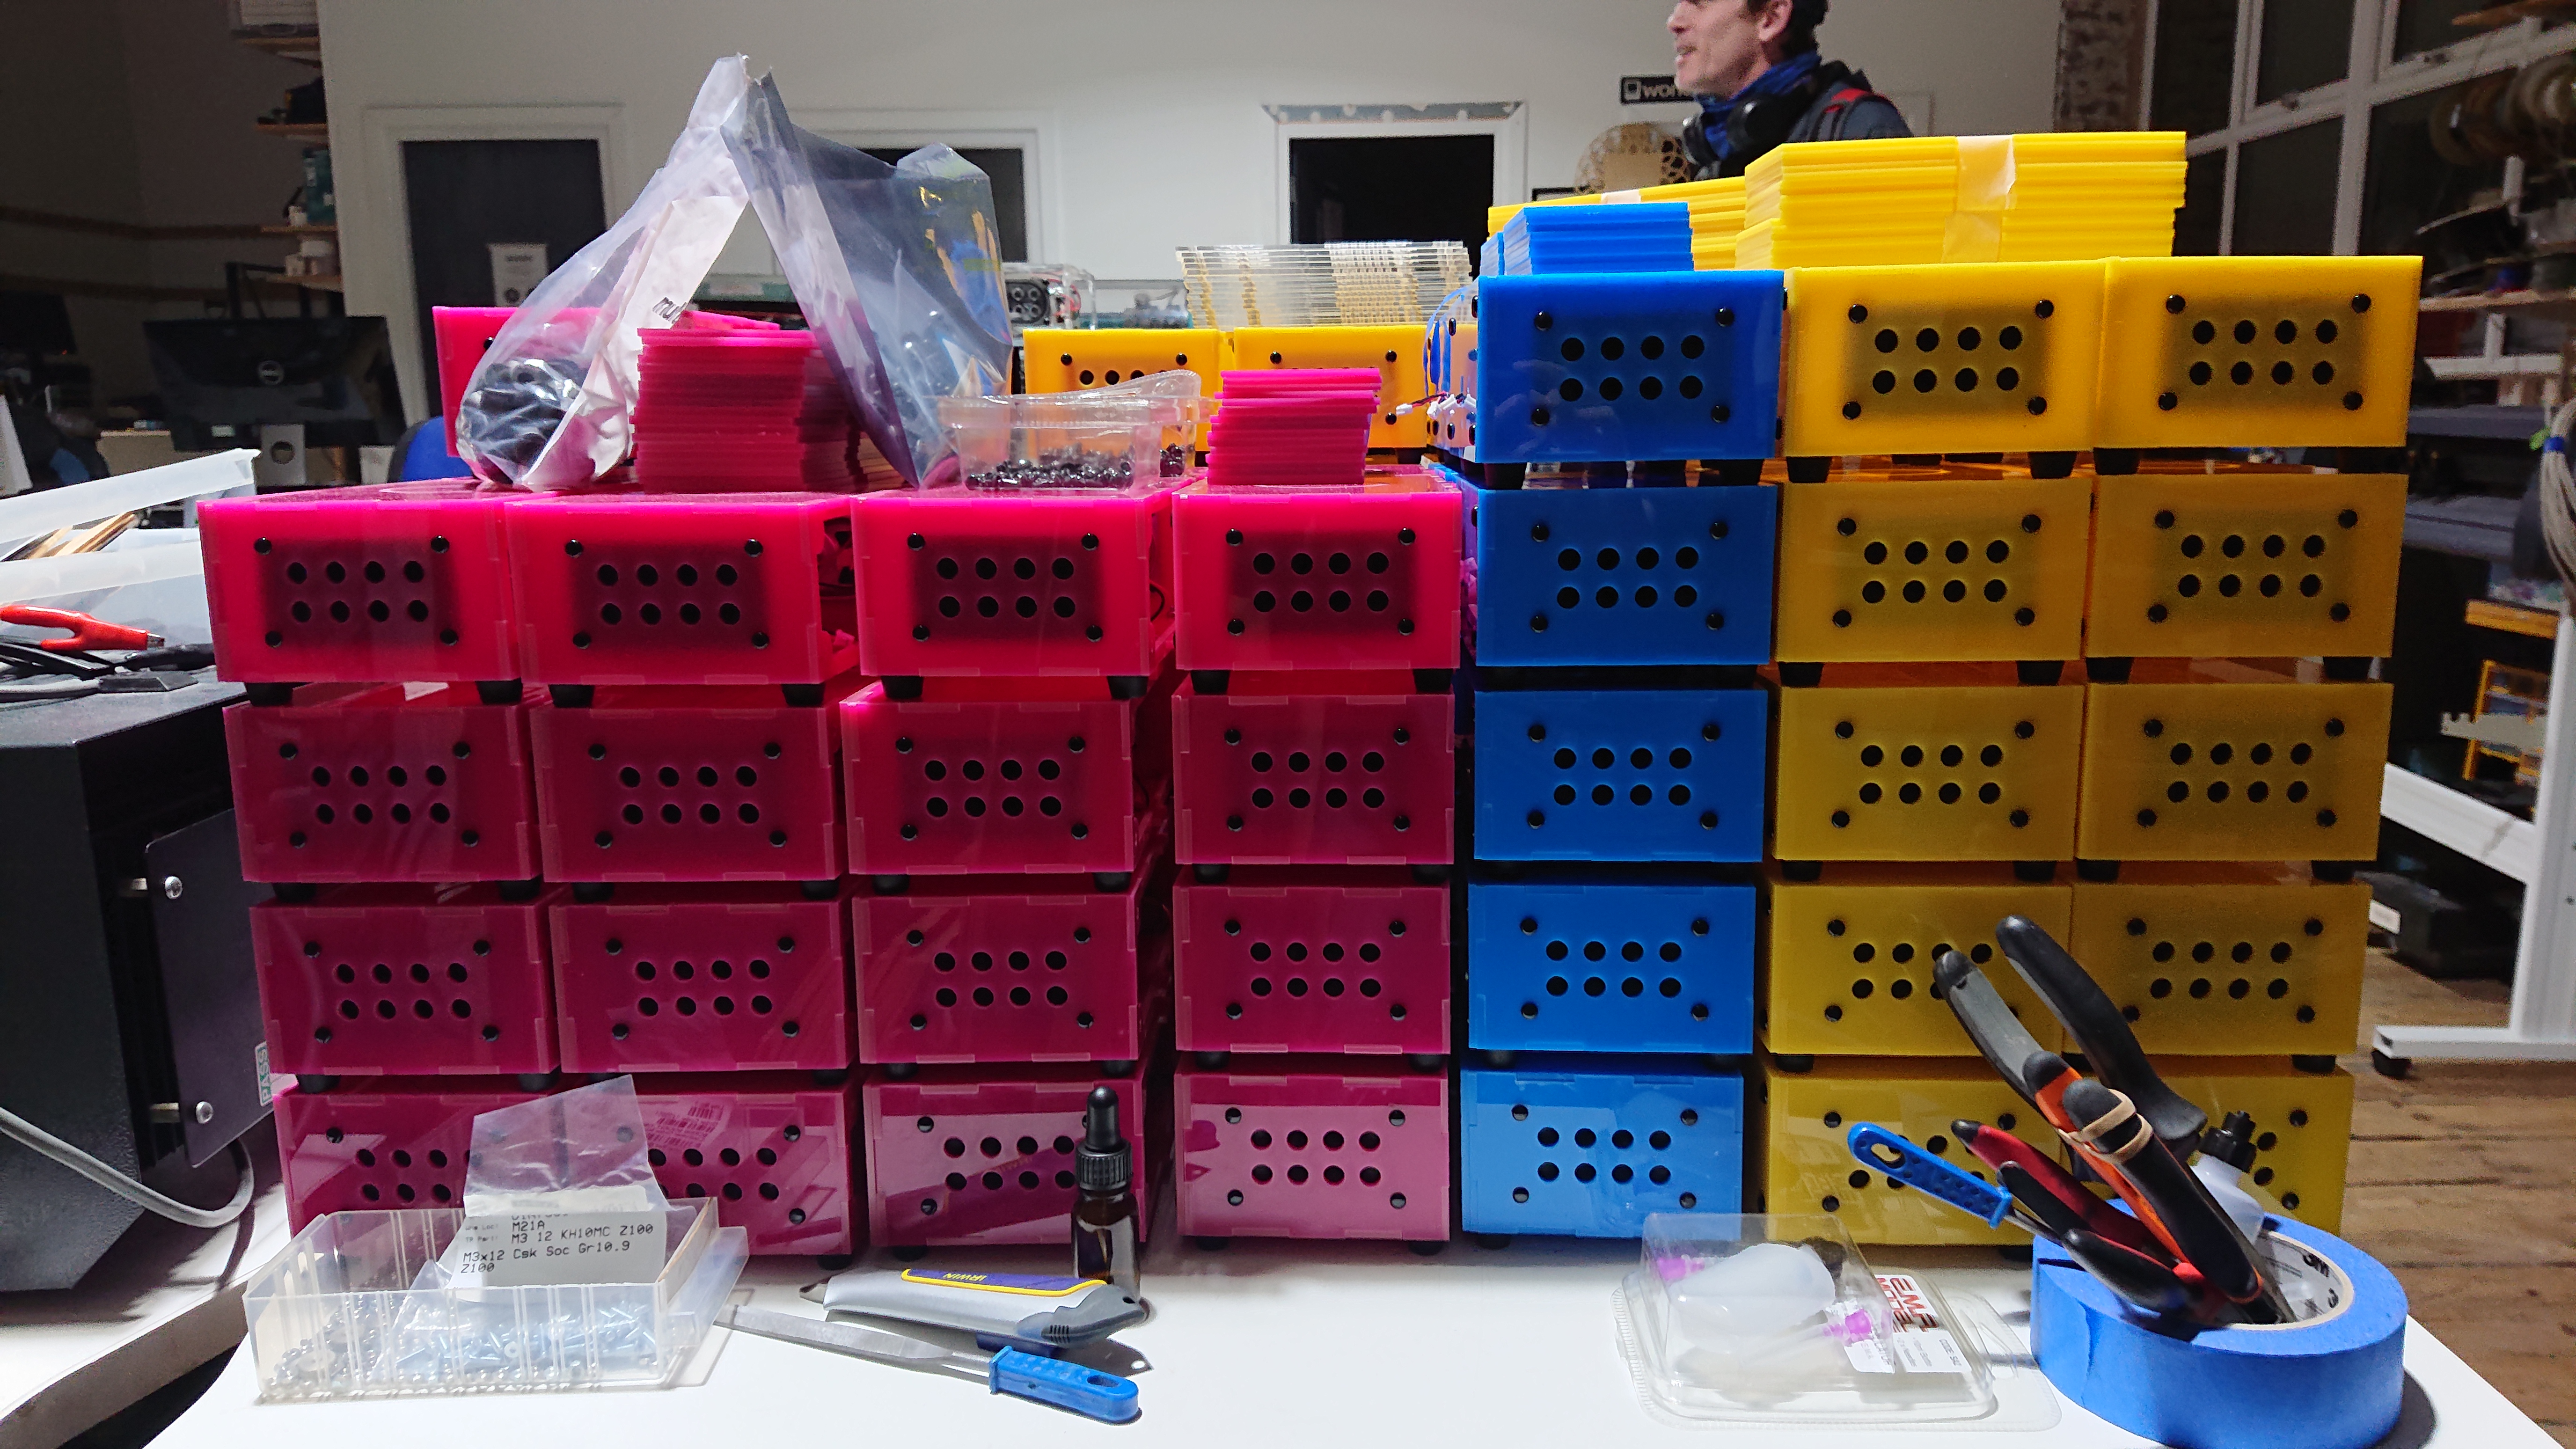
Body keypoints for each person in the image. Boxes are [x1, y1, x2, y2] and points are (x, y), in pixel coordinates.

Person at [1669, 0, 1911, 180]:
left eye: (1699, 2)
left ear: (1772, 18)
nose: (1674, 23)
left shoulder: (1863, 134)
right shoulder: (1716, 156)